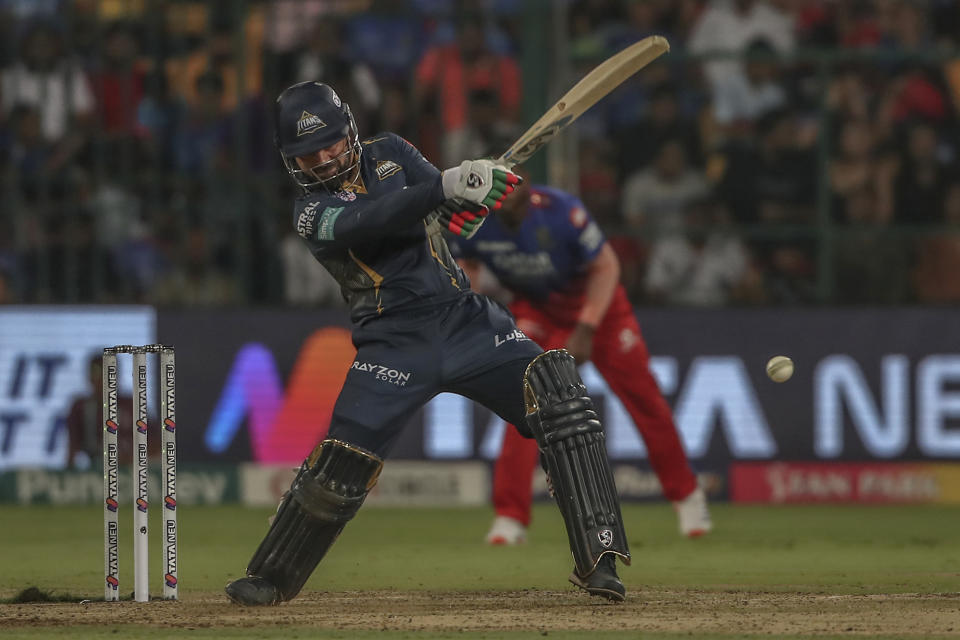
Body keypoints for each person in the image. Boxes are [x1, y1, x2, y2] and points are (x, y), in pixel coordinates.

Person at [224, 82, 633, 605]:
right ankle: (271, 577)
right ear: (291, 161)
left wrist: (472, 200)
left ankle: (599, 559)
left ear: (349, 130)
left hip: (466, 321)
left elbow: (439, 211)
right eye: (309, 153)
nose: (324, 159)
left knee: (558, 396)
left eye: (330, 143)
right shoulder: (310, 210)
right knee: (343, 458)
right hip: (391, 342)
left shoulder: (391, 151)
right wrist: (447, 186)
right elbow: (369, 220)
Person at [452, 167, 712, 545]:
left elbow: (606, 266)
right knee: (524, 405)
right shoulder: (473, 219)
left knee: (645, 399)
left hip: (599, 310)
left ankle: (687, 496)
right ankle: (510, 516)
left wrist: (587, 328)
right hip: (539, 311)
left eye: (513, 185)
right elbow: (468, 265)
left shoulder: (562, 211)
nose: (505, 195)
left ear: (526, 187)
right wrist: (471, 311)